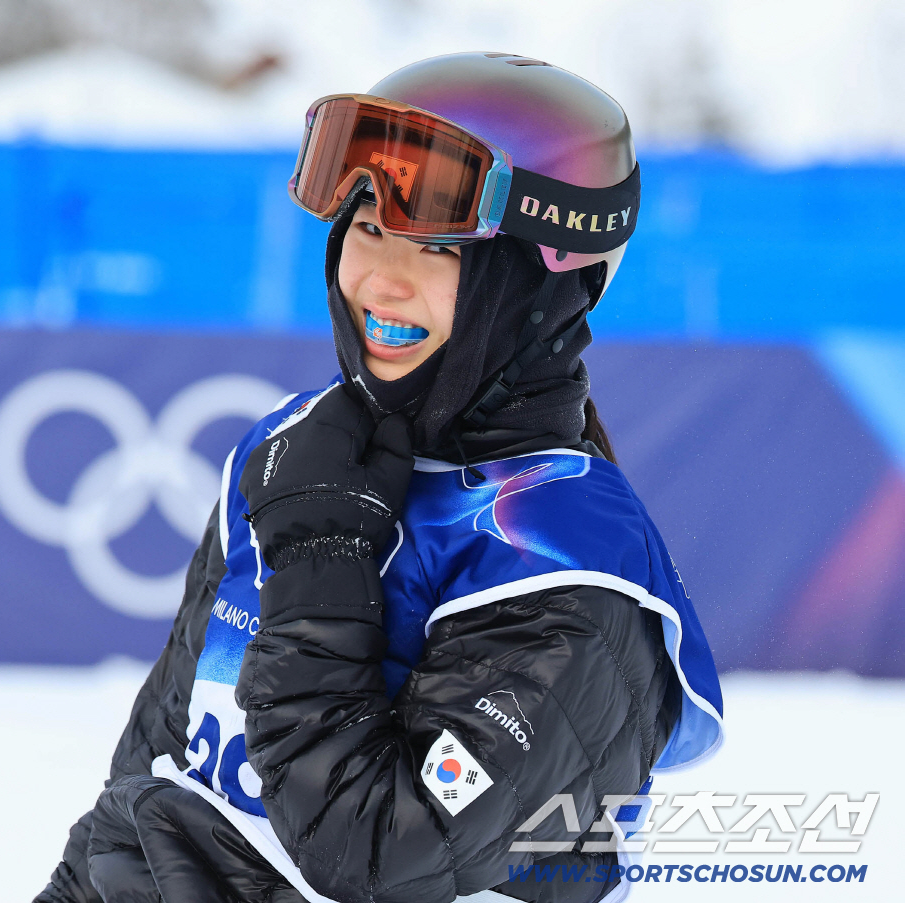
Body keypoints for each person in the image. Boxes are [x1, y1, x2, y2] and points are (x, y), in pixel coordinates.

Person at [35, 52, 723, 903]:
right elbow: (153, 775)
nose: (381, 282)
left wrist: (324, 562)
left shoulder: (567, 561)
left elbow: (384, 859)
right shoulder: (292, 448)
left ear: (544, 283)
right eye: (366, 228)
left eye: (438, 244)